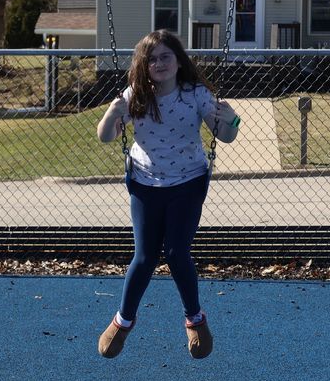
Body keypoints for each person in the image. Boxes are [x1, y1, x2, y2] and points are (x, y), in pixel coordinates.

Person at [95, 29, 239, 359]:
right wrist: (111, 113)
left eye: (165, 57)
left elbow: (225, 135)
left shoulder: (196, 95)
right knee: (144, 257)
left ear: (178, 61)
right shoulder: (136, 96)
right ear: (143, 66)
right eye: (151, 59)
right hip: (146, 184)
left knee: (176, 253)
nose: (159, 63)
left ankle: (196, 320)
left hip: (187, 183)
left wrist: (233, 121)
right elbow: (105, 136)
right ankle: (122, 321)